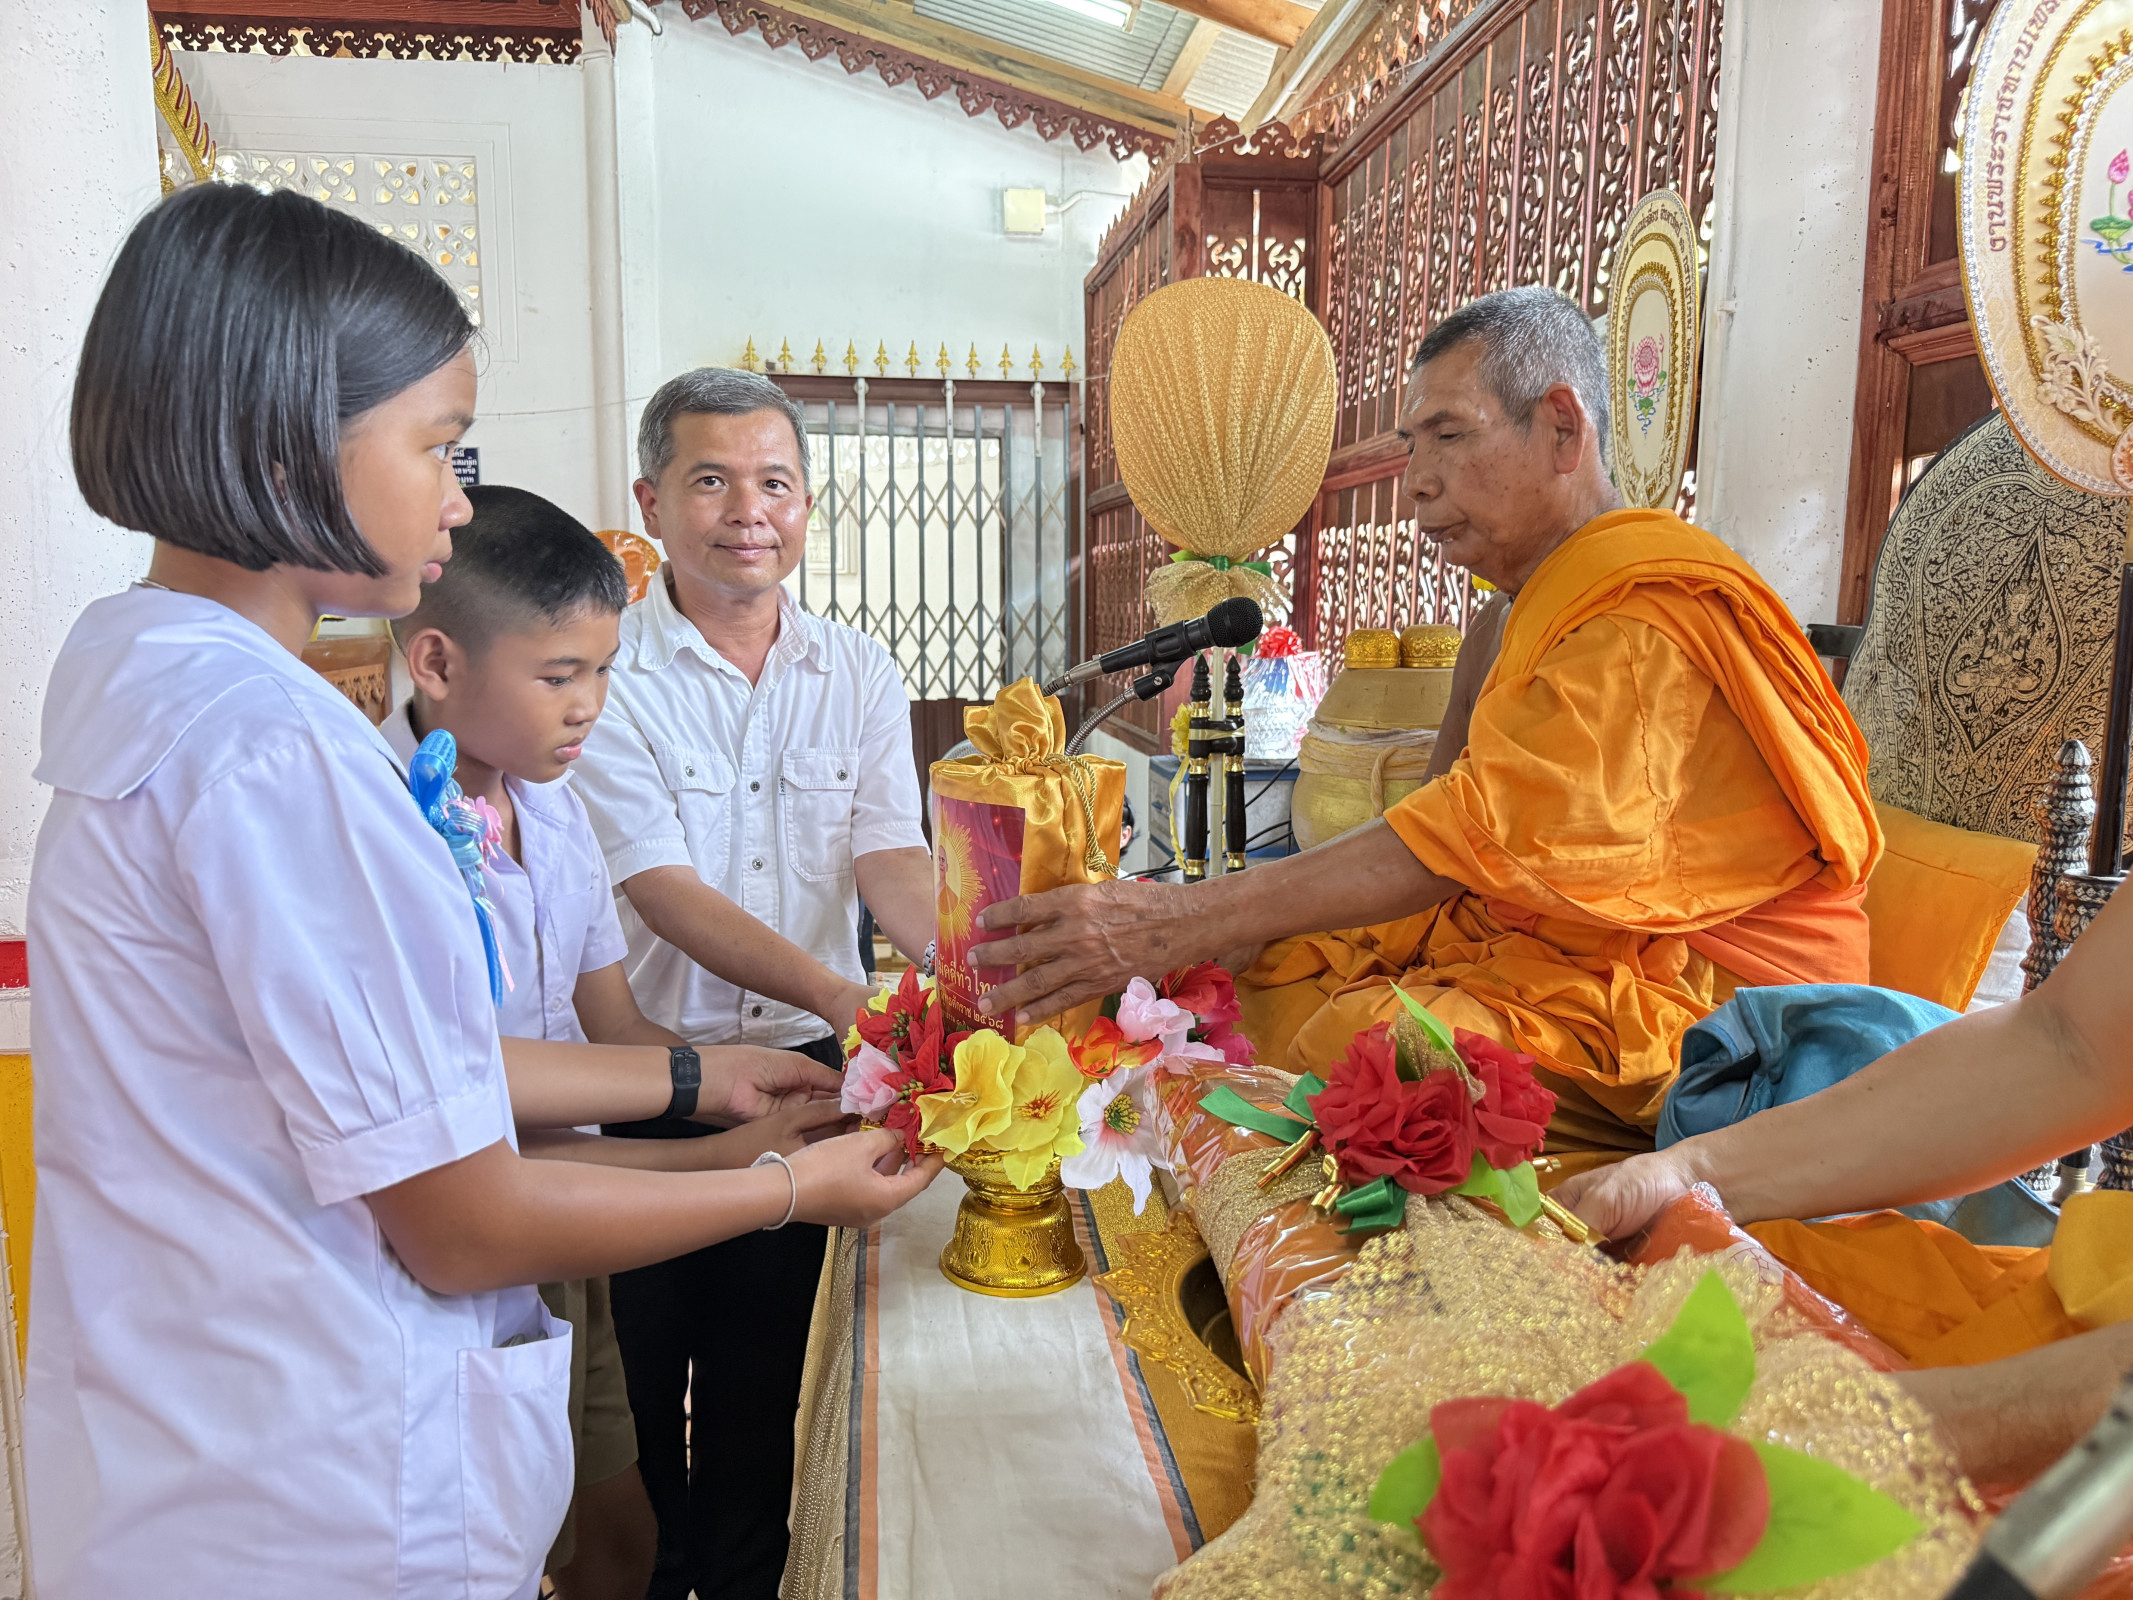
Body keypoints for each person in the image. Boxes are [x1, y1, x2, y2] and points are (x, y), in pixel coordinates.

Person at [28, 183, 936, 1600]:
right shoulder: (277, 755)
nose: (458, 497)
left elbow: (431, 1087)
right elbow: (465, 1221)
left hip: (208, 1452)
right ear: (286, 446)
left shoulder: (156, 679)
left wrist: (707, 1093)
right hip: (322, 1490)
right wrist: (782, 1185)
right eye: (437, 446)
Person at [970, 286, 1881, 1164]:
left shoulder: (1637, 623)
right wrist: (1231, 922)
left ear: (1562, 429)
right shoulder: (1511, 610)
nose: (1416, 482)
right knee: (1271, 967)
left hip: (1710, 995)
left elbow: (1456, 842)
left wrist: (1185, 916)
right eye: (1412, 445)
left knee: (1374, 1048)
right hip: (1551, 943)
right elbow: (1444, 812)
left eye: (1449, 435)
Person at [381, 483, 856, 1600]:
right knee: (503, 1544)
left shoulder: (553, 812)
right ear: (438, 663)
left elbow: (616, 1033)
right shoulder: (382, 830)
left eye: (602, 673)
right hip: (457, 1244)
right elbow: (466, 1098)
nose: (589, 707)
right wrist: (737, 1148)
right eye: (560, 677)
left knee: (619, 1530)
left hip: (569, 1220)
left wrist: (728, 1097)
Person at [573, 367, 935, 1600]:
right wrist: (847, 995)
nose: (748, 512)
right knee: (636, 1391)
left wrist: (961, 965)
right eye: (712, 481)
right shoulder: (607, 674)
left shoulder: (859, 671)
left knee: (765, 1384)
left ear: (807, 504)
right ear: (652, 502)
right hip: (644, 1076)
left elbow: (889, 857)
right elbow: (664, 890)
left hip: (809, 1078)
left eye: (775, 482)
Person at [1554, 877, 2133, 1490]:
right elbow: (2072, 1043)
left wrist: (1915, 1429)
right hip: (2067, 1308)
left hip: (2089, 1461)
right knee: (1627, 1295)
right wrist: (1691, 1173)